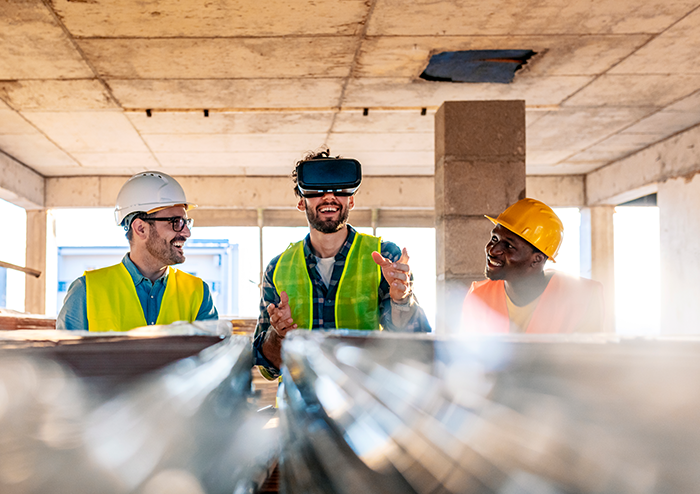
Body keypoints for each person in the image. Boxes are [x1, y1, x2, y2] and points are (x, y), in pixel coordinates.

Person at [253, 149, 431, 379]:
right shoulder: (277, 268)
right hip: (301, 405)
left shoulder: (385, 257)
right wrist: (278, 334)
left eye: (339, 189)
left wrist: (401, 300)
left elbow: (413, 345)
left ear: (352, 199)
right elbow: (268, 369)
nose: (329, 197)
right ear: (301, 202)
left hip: (363, 402)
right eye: (317, 190)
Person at [57, 171, 218, 331]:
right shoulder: (85, 292)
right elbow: (62, 356)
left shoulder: (198, 292)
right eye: (176, 222)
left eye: (186, 222)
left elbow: (213, 355)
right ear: (141, 228)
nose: (186, 233)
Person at [461, 198, 604, 334]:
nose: (492, 250)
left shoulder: (584, 298)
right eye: (494, 238)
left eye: (509, 246)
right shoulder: (478, 298)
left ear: (537, 259)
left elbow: (590, 357)